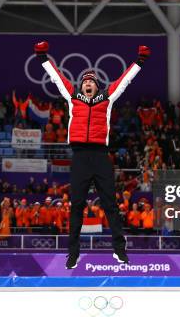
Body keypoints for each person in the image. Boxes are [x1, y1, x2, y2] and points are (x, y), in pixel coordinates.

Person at [34, 40, 150, 269]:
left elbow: (125, 80)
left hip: (100, 156)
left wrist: (140, 61)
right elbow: (57, 77)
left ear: (97, 86)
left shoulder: (107, 99)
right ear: (81, 85)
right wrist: (42, 57)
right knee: (76, 205)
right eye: (85, 81)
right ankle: (73, 254)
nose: (87, 83)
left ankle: (119, 250)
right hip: (79, 157)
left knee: (111, 205)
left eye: (91, 82)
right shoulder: (72, 97)